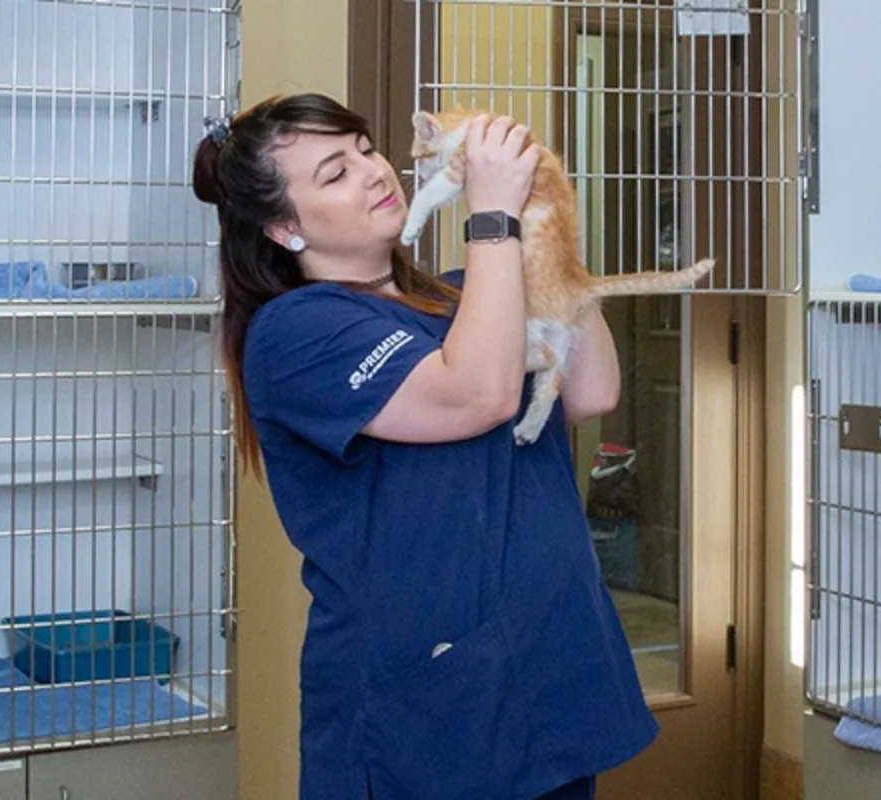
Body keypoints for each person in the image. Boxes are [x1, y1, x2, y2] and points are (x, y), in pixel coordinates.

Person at [192, 93, 659, 800]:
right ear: (285, 228)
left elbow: (591, 390)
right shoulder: (297, 333)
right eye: (335, 173)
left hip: (546, 672)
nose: (377, 171)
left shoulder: (467, 296)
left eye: (366, 148)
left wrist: (543, 220)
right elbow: (478, 394)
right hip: (435, 710)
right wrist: (493, 218)